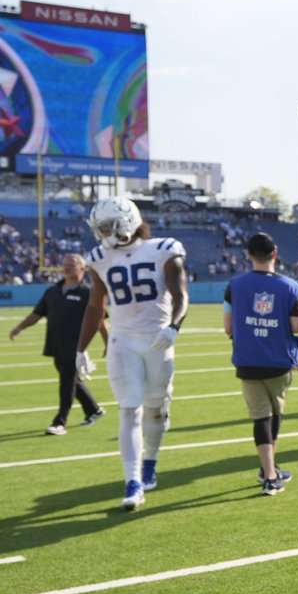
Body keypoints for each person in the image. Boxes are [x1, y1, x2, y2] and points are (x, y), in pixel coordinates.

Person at [76, 197, 188, 511]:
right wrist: (80, 348)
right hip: (123, 341)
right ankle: (133, 480)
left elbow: (181, 294)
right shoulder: (99, 257)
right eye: (100, 228)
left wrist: (174, 326)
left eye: (108, 226)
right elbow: (96, 305)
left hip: (157, 340)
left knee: (156, 410)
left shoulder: (164, 249)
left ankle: (149, 460)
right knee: (129, 410)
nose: (103, 233)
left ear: (127, 221)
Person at [223, 233, 298, 495]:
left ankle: (268, 469)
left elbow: (227, 327)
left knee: (261, 417)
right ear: (275, 253)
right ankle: (270, 474)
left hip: (248, 360)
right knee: (275, 414)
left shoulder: (234, 285)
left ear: (248, 255)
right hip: (279, 360)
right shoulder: (290, 286)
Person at [10, 252, 109, 435]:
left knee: (66, 383)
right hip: (55, 345)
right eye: (65, 263)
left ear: (82, 268)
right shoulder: (52, 291)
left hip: (76, 346)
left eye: (72, 263)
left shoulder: (88, 292)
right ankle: (93, 410)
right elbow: (36, 314)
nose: (68, 266)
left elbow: (100, 321)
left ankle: (60, 422)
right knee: (72, 381)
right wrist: (19, 328)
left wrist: (108, 343)